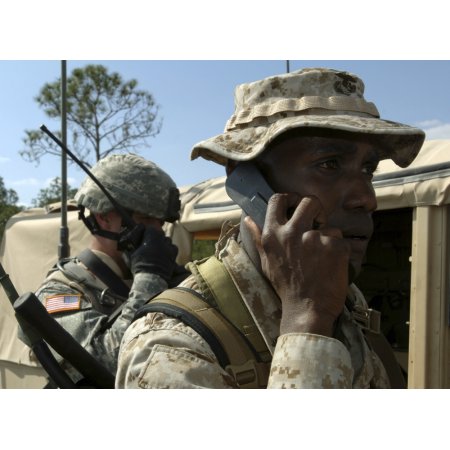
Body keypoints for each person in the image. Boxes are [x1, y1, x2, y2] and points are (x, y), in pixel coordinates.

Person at [116, 67, 425, 388]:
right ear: (247, 181)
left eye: (367, 169)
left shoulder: (344, 297)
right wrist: (309, 323)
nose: (367, 197)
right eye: (329, 164)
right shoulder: (174, 347)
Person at [21, 153, 187, 386]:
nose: (157, 232)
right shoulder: (61, 292)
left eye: (160, 223)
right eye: (146, 218)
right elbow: (103, 367)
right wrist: (151, 278)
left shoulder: (168, 279)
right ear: (104, 217)